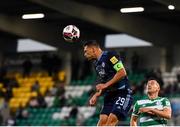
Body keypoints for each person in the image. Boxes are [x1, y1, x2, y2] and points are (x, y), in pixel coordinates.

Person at [83, 40, 133, 126]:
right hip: (110, 95)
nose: (84, 54)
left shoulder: (110, 56)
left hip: (122, 92)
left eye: (86, 51)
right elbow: (104, 82)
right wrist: (96, 95)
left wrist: (105, 85)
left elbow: (122, 72)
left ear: (93, 49)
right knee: (102, 122)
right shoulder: (96, 64)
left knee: (111, 120)